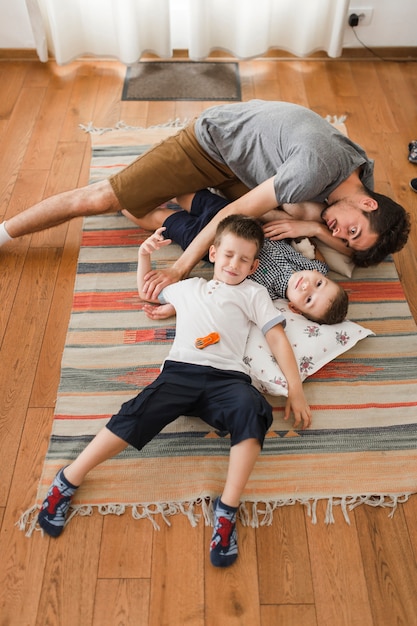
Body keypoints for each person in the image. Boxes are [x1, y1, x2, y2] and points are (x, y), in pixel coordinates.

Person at [37, 215, 312, 568]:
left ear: (254, 265)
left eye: (244, 260)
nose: (234, 265)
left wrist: (295, 389)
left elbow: (276, 338)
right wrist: (144, 256)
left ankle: (227, 508)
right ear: (213, 253)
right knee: (137, 411)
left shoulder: (254, 293)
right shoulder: (189, 288)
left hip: (228, 379)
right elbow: (146, 292)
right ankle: (68, 478)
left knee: (254, 409)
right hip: (181, 371)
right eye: (228, 255)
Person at [0, 101, 410, 292]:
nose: (341, 234)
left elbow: (353, 244)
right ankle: (4, 232)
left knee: (267, 231)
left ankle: (163, 192)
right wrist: (179, 269)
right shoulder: (312, 172)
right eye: (351, 230)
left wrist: (308, 225)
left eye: (349, 237)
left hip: (254, 166)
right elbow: (229, 215)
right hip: (210, 144)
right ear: (368, 202)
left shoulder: (359, 179)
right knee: (100, 200)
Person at [133, 189, 348, 325]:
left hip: (209, 244)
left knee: (158, 219)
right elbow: (317, 252)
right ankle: (132, 189)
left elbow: (219, 298)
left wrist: (178, 306)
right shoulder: (319, 268)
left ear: (294, 308)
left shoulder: (265, 296)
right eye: (319, 283)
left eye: (308, 299)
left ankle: (125, 204)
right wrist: (304, 231)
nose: (307, 287)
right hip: (234, 217)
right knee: (184, 193)